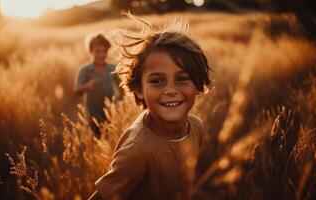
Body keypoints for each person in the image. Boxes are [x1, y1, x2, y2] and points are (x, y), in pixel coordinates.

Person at [89, 14, 212, 200]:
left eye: (182, 78)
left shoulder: (197, 127)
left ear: (197, 84)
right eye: (157, 81)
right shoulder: (138, 150)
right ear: (139, 90)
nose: (171, 90)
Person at [74, 34, 121, 138]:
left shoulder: (112, 68)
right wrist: (87, 86)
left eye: (104, 51)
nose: (101, 54)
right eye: (97, 51)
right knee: (98, 138)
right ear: (90, 51)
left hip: (111, 111)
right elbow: (76, 91)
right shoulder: (84, 70)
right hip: (93, 113)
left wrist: (119, 101)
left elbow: (122, 86)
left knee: (112, 137)